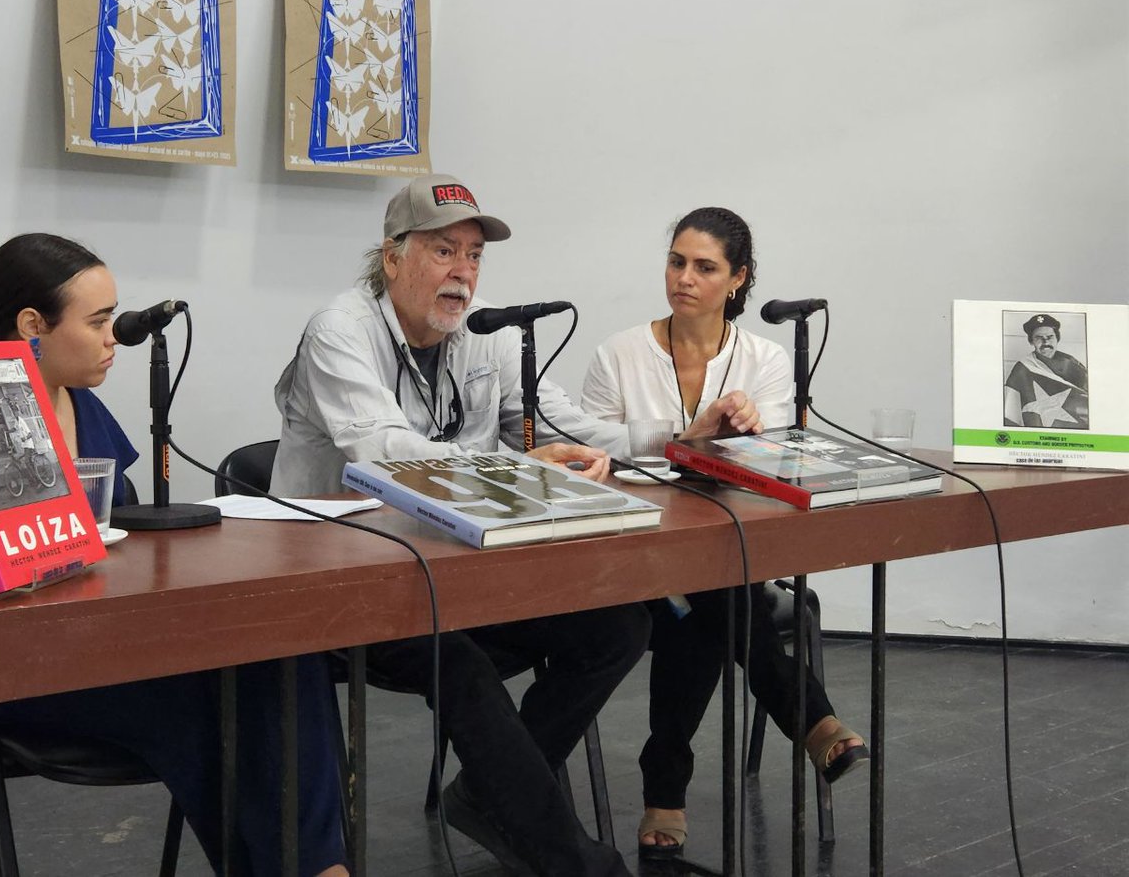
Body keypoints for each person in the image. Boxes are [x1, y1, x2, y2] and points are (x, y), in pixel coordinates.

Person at [271, 174, 748, 876]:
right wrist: (506, 461)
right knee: (457, 660)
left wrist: (682, 433)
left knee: (617, 627)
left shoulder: (483, 329)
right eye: (443, 251)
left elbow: (566, 426)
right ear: (393, 255)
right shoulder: (340, 330)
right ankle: (574, 861)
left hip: (456, 571)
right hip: (346, 585)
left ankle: (488, 795)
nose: (462, 272)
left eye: (473, 255)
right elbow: (385, 453)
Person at [0, 233, 349, 877]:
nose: (113, 338)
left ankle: (320, 870)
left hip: (93, 634)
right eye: (97, 321)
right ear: (31, 325)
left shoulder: (82, 403)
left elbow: (114, 535)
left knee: (286, 656)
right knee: (202, 695)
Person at [581, 207, 871, 860]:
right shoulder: (619, 354)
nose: (684, 278)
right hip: (634, 559)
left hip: (716, 562)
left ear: (738, 280)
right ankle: (812, 720)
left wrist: (740, 438)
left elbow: (767, 467)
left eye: (704, 267)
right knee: (707, 595)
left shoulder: (765, 362)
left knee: (702, 603)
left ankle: (666, 794)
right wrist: (690, 438)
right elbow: (591, 458)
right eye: (677, 261)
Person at [1003, 313, 1089, 429]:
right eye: (1039, 338)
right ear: (1031, 341)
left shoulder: (1072, 363)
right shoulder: (1022, 369)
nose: (1045, 342)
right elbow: (1011, 410)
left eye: (1050, 337)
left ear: (1057, 339)